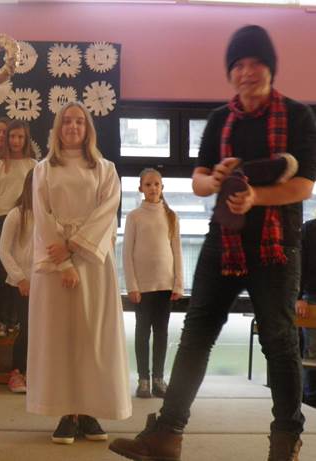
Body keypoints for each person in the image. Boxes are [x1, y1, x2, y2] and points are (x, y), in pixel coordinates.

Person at [109, 25, 316, 461]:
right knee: (197, 334)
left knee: (278, 340)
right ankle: (167, 434)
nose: (247, 72)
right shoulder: (222, 118)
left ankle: (285, 442)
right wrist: (216, 178)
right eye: (238, 65)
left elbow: (303, 185)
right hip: (224, 240)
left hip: (277, 247)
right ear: (230, 72)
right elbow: (199, 180)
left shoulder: (297, 116)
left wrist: (257, 198)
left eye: (256, 63)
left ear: (271, 68)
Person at [28, 101, 131, 445]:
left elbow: (107, 212)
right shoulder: (44, 169)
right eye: (67, 121)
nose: (73, 127)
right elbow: (42, 216)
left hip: (93, 261)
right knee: (59, 338)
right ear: (58, 128)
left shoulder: (105, 169)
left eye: (79, 122)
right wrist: (63, 261)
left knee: (92, 337)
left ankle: (89, 410)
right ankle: (65, 412)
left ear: (88, 129)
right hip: (54, 262)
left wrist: (74, 248)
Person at [123, 168, 183, 399]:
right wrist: (132, 285)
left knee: (161, 333)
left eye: (156, 184)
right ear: (140, 188)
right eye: (148, 184)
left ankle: (158, 378)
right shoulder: (134, 217)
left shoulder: (171, 216)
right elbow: (127, 253)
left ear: (162, 187)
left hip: (165, 286)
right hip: (143, 287)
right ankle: (143, 380)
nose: (153, 188)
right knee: (142, 333)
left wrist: (178, 284)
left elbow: (177, 252)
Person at [0, 120, 37, 337]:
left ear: (26, 140)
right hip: (2, 218)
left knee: (20, 266)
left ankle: (16, 319)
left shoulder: (34, 164)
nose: (16, 141)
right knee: (1, 272)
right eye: (12, 136)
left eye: (20, 137)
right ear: (6, 139)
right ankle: (1, 321)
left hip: (26, 218)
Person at [0, 169, 34, 394]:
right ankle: (17, 372)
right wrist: (21, 278)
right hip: (22, 284)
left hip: (45, 282)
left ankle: (35, 373)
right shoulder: (16, 214)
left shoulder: (51, 215)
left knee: (42, 331)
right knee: (27, 329)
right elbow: (4, 251)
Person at [296, 218, 316, 407]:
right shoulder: (309, 229)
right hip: (311, 296)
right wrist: (298, 297)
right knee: (312, 353)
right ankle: (311, 399)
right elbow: (299, 265)